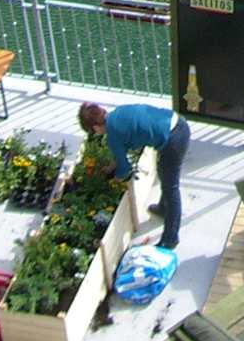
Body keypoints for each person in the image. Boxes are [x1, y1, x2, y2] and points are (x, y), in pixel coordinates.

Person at [78, 101, 190, 251]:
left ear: (96, 127)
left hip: (173, 140)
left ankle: (170, 239)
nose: (96, 134)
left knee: (171, 188)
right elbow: (123, 146)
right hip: (177, 123)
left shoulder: (112, 136)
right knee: (164, 172)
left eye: (93, 132)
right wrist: (111, 166)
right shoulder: (118, 112)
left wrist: (114, 181)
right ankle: (164, 208)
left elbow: (124, 170)